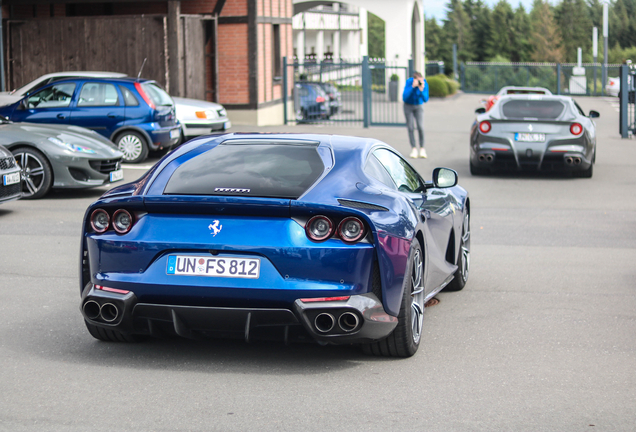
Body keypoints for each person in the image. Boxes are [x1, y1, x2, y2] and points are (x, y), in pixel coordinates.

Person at [402, 72, 429, 158]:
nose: (419, 82)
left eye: (420, 80)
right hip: (408, 106)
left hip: (419, 106)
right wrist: (412, 87)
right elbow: (404, 97)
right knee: (410, 127)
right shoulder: (409, 82)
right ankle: (413, 148)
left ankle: (422, 148)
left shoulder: (424, 83)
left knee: (420, 127)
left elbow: (425, 99)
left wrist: (421, 90)